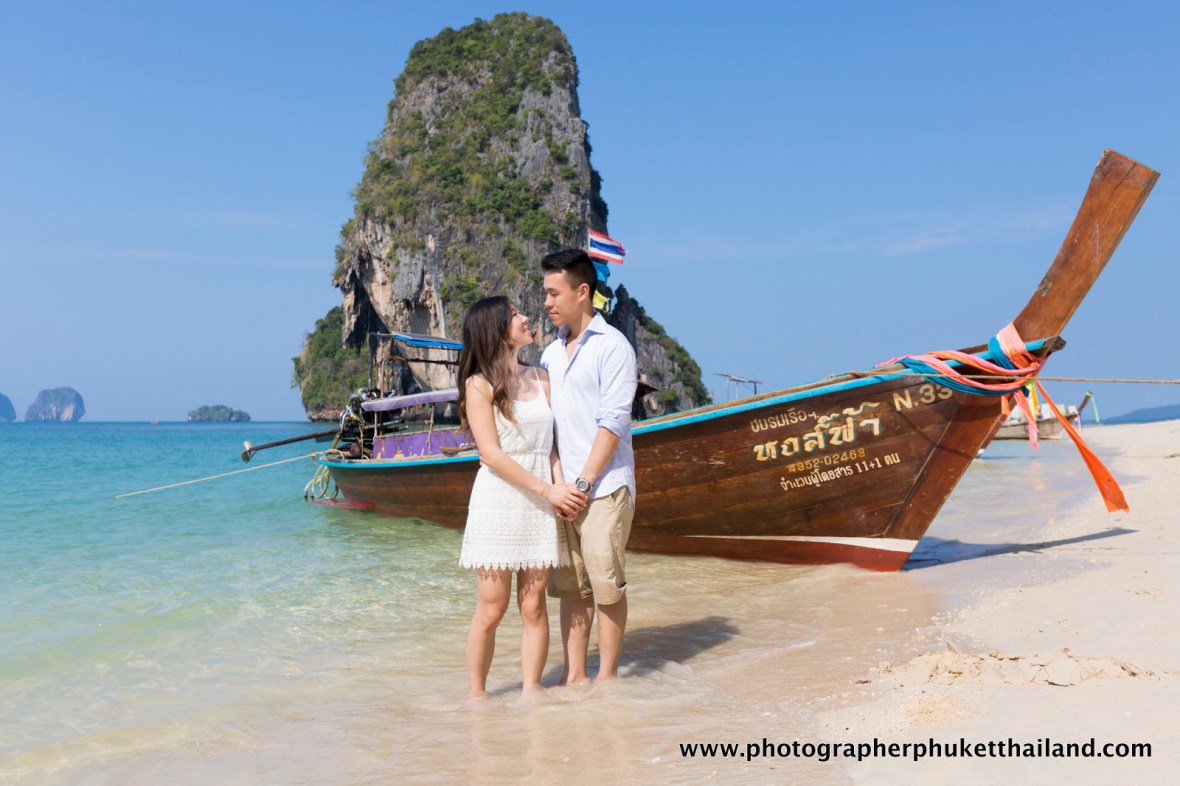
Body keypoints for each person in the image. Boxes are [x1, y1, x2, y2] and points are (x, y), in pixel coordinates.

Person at [457, 296, 588, 700]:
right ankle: (477, 698)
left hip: (539, 503)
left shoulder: (541, 377)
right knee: (491, 611)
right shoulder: (479, 384)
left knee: (533, 607)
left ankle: (532, 694)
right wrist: (548, 489)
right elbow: (491, 455)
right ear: (497, 329)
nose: (526, 317)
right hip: (498, 501)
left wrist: (561, 489)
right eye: (515, 314)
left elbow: (549, 446)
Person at [540, 248, 638, 684]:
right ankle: (574, 676)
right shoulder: (549, 355)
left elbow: (613, 421)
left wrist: (583, 482)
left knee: (604, 584)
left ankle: (608, 678)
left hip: (605, 487)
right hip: (566, 490)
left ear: (582, 292)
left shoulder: (613, 347)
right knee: (571, 587)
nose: (546, 302)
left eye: (553, 293)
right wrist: (560, 483)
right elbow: (550, 427)